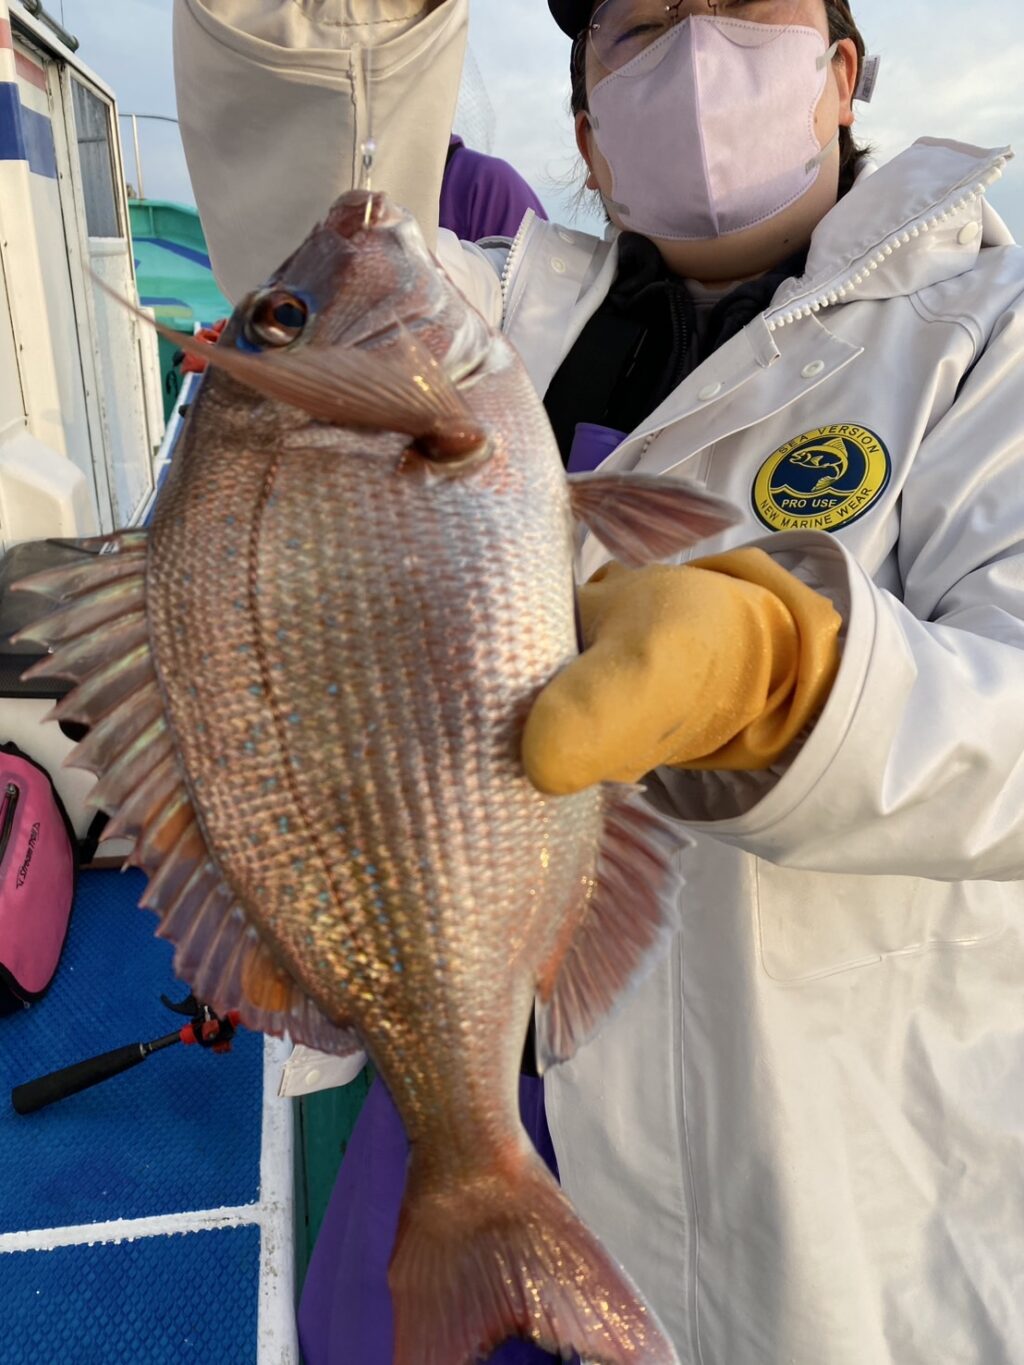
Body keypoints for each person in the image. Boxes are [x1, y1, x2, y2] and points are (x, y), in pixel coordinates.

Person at [172, 1, 1024, 1361]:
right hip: (469, 1066)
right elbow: (316, 194)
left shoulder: (990, 326)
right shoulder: (492, 311)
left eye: (745, 6)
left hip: (808, 1161)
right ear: (589, 135)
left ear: (842, 75)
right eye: (640, 27)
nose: (696, 47)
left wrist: (793, 681)